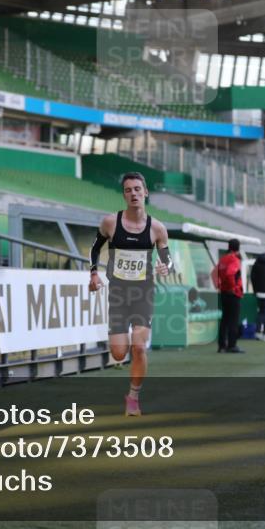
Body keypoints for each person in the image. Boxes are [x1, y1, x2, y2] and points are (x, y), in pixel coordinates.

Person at [89, 172, 172, 416]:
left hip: (143, 292)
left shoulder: (157, 228)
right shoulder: (110, 223)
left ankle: (133, 397)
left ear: (145, 192)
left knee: (139, 347)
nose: (133, 193)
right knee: (118, 352)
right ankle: (120, 343)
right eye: (128, 190)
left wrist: (166, 266)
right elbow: (95, 249)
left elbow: (167, 259)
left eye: (137, 189)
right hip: (117, 293)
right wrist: (93, 274)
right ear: (124, 195)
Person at [212, 238, 245, 353]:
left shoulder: (223, 259)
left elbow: (213, 273)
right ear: (238, 248)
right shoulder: (234, 259)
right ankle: (232, 345)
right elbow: (230, 273)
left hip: (224, 293)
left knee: (225, 320)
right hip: (233, 293)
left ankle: (222, 346)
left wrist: (219, 286)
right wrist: (232, 288)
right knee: (233, 320)